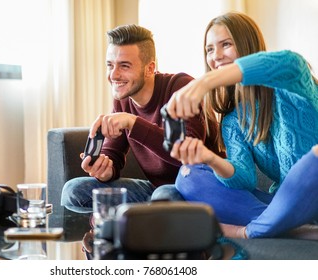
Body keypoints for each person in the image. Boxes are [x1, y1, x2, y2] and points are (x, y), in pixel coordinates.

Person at [166, 12, 318, 239]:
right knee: (189, 176)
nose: (215, 56)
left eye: (225, 44)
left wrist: (205, 81)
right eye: (209, 49)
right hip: (284, 204)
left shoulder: (291, 83)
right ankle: (289, 228)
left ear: (248, 46)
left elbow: (289, 61)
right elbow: (245, 178)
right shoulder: (233, 120)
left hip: (311, 185)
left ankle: (251, 231)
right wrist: (209, 158)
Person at [61, 24, 223, 213]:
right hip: (154, 191)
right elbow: (114, 153)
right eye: (110, 65)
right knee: (73, 190)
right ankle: (115, 231)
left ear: (150, 68)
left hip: (198, 189)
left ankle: (145, 218)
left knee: (163, 197)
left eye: (124, 65)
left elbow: (186, 155)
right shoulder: (123, 98)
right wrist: (105, 169)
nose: (114, 75)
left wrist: (133, 122)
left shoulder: (180, 87)